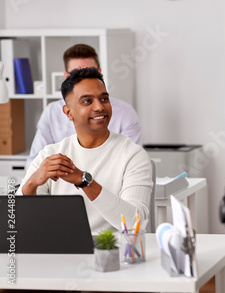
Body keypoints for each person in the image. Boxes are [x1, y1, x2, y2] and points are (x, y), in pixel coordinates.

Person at [17, 68, 152, 232]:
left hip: (110, 250)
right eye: (87, 101)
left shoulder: (132, 155)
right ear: (68, 112)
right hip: (60, 250)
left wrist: (84, 181)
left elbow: (134, 222)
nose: (99, 107)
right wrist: (32, 182)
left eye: (104, 99)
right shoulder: (50, 154)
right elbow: (20, 221)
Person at [26, 44, 142, 167]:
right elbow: (35, 163)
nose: (98, 108)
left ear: (99, 73)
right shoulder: (51, 112)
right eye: (77, 74)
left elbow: (133, 162)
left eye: (90, 72)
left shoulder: (125, 112)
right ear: (68, 113)